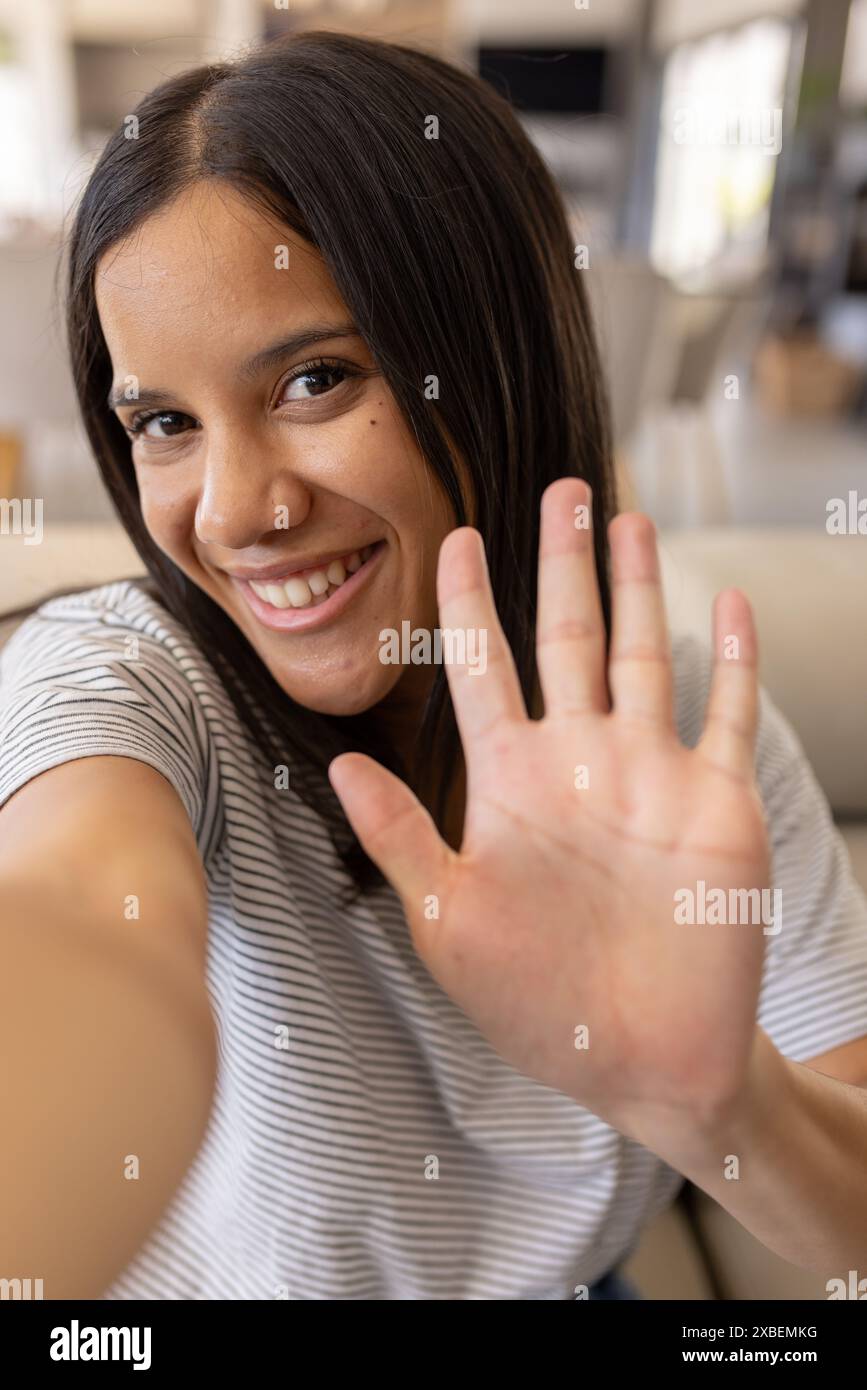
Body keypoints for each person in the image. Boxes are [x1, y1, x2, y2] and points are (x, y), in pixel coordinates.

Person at [2, 31, 867, 1302]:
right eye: (166, 424)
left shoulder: (675, 723)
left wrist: (721, 1097)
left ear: (498, 361)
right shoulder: (127, 678)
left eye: (315, 378)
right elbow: (86, 910)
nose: (236, 512)